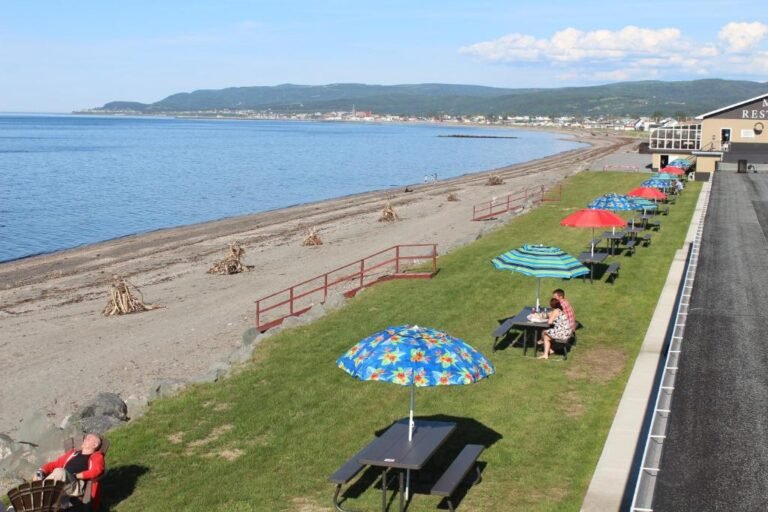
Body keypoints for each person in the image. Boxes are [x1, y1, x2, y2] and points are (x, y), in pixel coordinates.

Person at [34, 433, 105, 509]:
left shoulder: (97, 456)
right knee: (39, 476)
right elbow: (55, 464)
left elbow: (97, 471)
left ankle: (35, 496)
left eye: (89, 439)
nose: (85, 439)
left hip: (76, 485)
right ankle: (37, 498)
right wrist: (41, 471)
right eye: (85, 438)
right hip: (62, 482)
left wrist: (77, 476)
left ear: (95, 445)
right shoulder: (72, 453)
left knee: (60, 472)